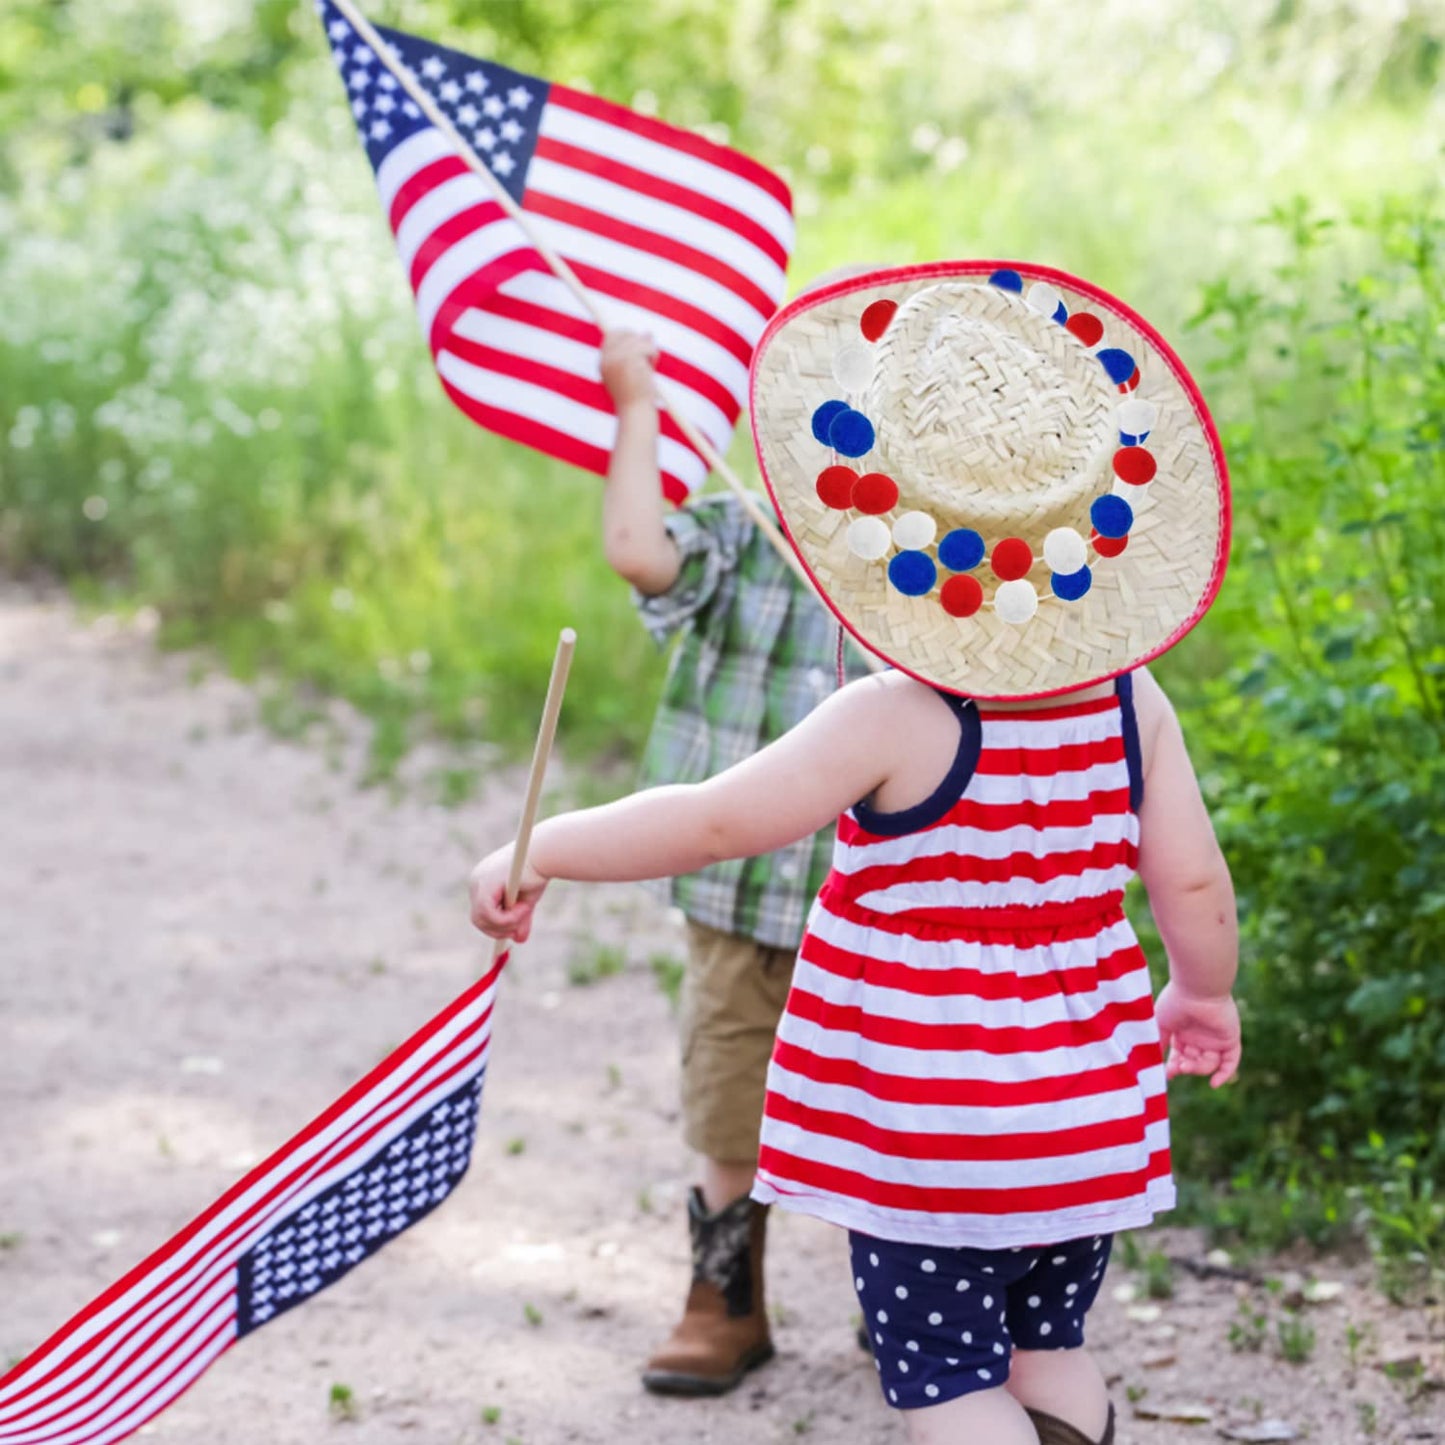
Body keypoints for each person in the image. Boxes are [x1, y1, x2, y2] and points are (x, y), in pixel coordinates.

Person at [473, 262, 1240, 1444]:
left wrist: (547, 846)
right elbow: (1187, 876)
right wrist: (1200, 990)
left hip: (928, 1131)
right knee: (1048, 1348)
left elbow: (717, 819)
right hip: (1081, 1118)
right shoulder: (1131, 703)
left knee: (946, 1377)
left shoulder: (891, 716)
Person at [595, 324, 873, 1395]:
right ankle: (724, 1298)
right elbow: (637, 549)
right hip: (740, 897)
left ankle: (907, 1295)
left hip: (881, 908)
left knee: (891, 1102)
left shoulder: (916, 576)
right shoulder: (734, 536)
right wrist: (636, 408)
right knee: (727, 1095)